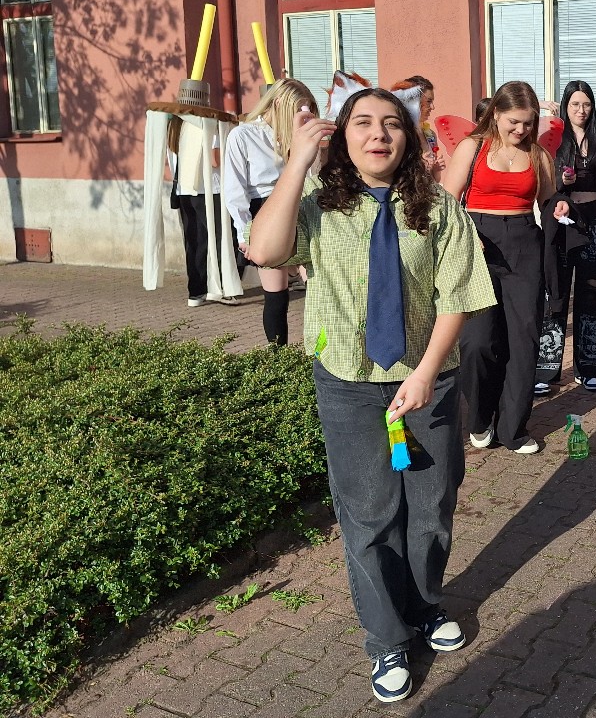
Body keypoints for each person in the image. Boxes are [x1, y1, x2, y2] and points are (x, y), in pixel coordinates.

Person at [246, 87, 496, 704]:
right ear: (342, 135)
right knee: (370, 511)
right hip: (349, 381)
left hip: (428, 379)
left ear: (408, 138)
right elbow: (265, 250)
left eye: (392, 123)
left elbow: (459, 294)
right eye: (362, 122)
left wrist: (425, 373)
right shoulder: (316, 202)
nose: (378, 134)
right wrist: (296, 163)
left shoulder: (436, 206)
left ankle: (423, 605)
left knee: (431, 504)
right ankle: (386, 637)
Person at [442, 81, 569, 454]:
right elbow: (447, 202)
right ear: (496, 113)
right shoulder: (472, 147)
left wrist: (559, 206)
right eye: (515, 121)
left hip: (525, 246)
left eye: (529, 123)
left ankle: (513, 428)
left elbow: (548, 199)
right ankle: (480, 417)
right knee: (477, 342)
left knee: (524, 340)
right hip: (478, 243)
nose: (522, 130)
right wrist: (467, 235)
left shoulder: (538, 154)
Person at [535, 81, 596, 395]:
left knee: (592, 295)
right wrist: (561, 180)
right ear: (566, 106)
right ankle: (545, 371)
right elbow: (542, 181)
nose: (581, 110)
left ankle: (589, 368)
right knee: (555, 294)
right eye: (575, 104)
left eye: (586, 104)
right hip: (562, 222)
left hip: (595, 222)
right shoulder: (553, 139)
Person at [223, 79, 318, 345]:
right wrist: (244, 232)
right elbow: (235, 190)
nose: (302, 116)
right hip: (265, 211)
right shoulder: (243, 135)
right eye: (297, 109)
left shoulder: (298, 134)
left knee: (318, 286)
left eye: (307, 109)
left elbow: (313, 176)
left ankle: (321, 352)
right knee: (276, 294)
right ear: (278, 104)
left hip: (302, 204)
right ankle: (278, 357)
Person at [168, 115, 235, 307]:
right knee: (220, 239)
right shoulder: (207, 126)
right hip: (210, 189)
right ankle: (219, 289)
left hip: (184, 190)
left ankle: (196, 292)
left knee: (194, 242)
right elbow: (215, 161)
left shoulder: (174, 128)